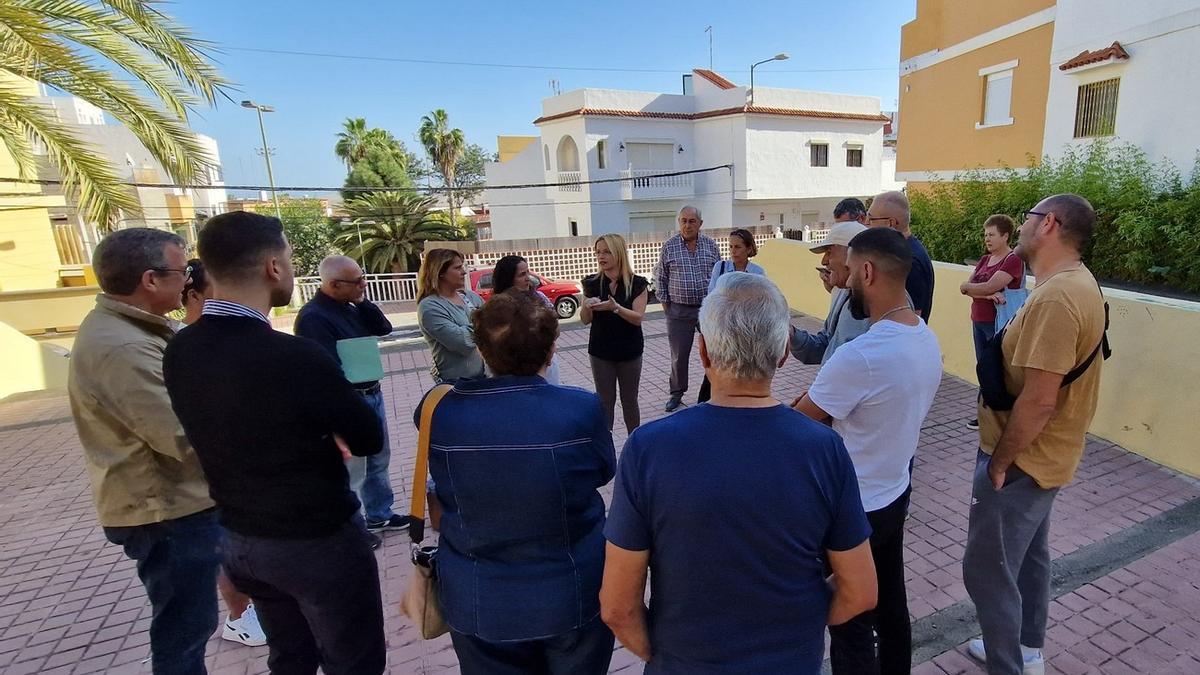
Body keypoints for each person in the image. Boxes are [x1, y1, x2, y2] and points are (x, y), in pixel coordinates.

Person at [601, 272, 878, 673]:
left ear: (703, 352)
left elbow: (616, 607)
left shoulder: (649, 449)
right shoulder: (824, 449)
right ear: (784, 352)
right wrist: (798, 632)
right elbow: (861, 591)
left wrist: (665, 658)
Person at [163, 211, 386, 674]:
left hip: (241, 539)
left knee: (290, 657)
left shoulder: (182, 348)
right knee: (355, 661)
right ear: (273, 268)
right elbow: (366, 435)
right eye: (288, 257)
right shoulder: (295, 356)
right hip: (316, 541)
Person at [415, 292, 616, 674]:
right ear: (551, 350)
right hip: (570, 591)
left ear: (481, 349)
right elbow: (604, 470)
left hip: (477, 598)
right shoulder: (579, 409)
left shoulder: (437, 408)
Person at [964, 195, 1107, 675]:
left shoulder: (1058, 298)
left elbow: (1041, 399)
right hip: (1048, 456)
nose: (1019, 227)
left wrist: (1000, 463)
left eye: (1026, 219)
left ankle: (1008, 664)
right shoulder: (1077, 284)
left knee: (987, 570)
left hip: (1024, 459)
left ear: (1048, 224)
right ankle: (1026, 650)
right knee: (1028, 559)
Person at [67, 228, 220, 674]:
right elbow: (179, 435)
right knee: (184, 631)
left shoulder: (133, 331)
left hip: (171, 505)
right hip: (164, 511)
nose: (188, 281)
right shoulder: (123, 346)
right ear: (150, 279)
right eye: (182, 270)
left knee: (189, 624)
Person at [793, 228, 943, 675]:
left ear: (868, 271)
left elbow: (801, 421)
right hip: (894, 492)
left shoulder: (862, 355)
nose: (845, 282)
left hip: (851, 508)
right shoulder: (924, 336)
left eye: (851, 272)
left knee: (851, 619)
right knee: (890, 602)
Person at [178, 259, 268, 648]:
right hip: (206, 473)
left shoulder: (223, 339)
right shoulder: (182, 344)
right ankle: (240, 616)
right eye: (220, 287)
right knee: (222, 544)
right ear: (194, 294)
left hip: (242, 471)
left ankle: (255, 607)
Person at [294, 255, 403, 543]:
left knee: (379, 457)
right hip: (349, 398)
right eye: (356, 282)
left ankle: (380, 513)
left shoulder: (351, 307)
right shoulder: (314, 317)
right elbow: (324, 367)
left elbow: (383, 328)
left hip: (371, 391)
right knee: (353, 468)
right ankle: (352, 526)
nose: (362, 285)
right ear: (333, 284)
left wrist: (363, 302)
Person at [959, 215, 1025, 431]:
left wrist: (978, 290)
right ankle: (986, 413)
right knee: (984, 367)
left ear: (1005, 236)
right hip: (979, 319)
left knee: (999, 368)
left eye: (992, 234)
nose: (987, 239)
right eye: (986, 234)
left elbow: (984, 286)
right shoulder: (985, 260)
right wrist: (986, 294)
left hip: (999, 323)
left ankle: (1000, 415)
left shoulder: (1012, 260)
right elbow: (966, 287)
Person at [654, 205, 720, 412]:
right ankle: (676, 393)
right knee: (679, 355)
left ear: (700, 224)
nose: (687, 225)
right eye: (683, 221)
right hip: (678, 311)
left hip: (706, 309)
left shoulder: (711, 245)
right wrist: (667, 305)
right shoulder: (670, 246)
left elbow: (718, 275)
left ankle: (711, 391)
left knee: (714, 351)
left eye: (692, 221)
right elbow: (661, 278)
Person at [582, 234, 649, 431]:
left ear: (619, 253)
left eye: (607, 252)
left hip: (629, 351)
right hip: (601, 351)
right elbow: (585, 320)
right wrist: (586, 305)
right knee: (604, 401)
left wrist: (616, 308)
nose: (601, 257)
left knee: (629, 400)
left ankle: (634, 444)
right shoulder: (592, 284)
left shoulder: (637, 284)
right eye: (598, 252)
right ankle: (606, 448)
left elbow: (638, 318)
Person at [698, 228, 764, 402]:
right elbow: (711, 296)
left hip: (746, 331)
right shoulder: (720, 268)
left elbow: (759, 302)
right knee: (716, 371)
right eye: (731, 247)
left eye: (738, 247)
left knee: (742, 371)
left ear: (749, 249)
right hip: (722, 329)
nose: (733, 251)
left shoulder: (757, 273)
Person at [789, 221, 870, 365]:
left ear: (851, 254)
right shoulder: (841, 293)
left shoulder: (879, 304)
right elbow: (825, 347)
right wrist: (792, 335)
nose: (824, 260)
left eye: (829, 252)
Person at [416, 248, 486, 383]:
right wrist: (485, 325)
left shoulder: (470, 297)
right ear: (440, 272)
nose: (464, 272)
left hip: (485, 378)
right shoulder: (430, 307)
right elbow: (462, 342)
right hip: (456, 384)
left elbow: (496, 325)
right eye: (457, 268)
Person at [866, 190, 935, 322]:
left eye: (871, 219)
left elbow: (913, 315)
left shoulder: (909, 260)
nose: (867, 224)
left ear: (890, 223)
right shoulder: (901, 252)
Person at [492, 254, 561, 384]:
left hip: (545, 364)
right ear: (508, 278)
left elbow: (555, 330)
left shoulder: (539, 297)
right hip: (514, 369)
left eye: (528, 272)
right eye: (522, 275)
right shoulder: (498, 306)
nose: (527, 278)